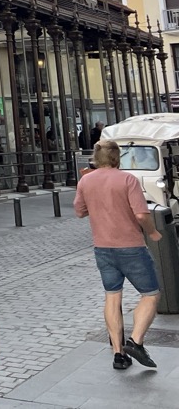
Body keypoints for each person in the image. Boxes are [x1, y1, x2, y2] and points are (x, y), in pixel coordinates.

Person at [74, 140, 162, 371]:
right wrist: (153, 232)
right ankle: (136, 341)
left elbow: (80, 211)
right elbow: (142, 215)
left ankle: (118, 354)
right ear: (117, 157)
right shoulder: (127, 180)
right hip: (131, 246)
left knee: (112, 297)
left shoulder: (86, 180)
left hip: (102, 248)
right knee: (150, 295)